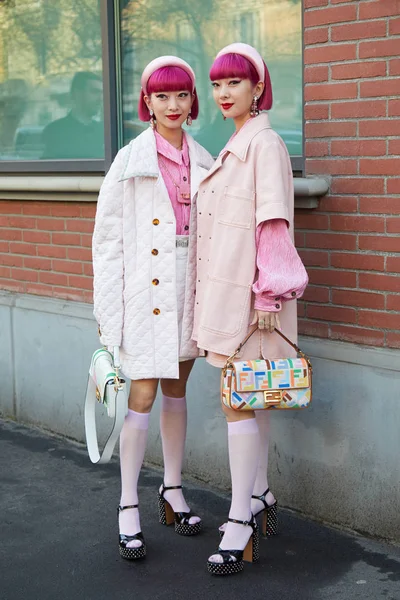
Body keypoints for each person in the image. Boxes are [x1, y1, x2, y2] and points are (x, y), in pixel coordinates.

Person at [192, 43, 308, 576]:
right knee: (251, 399)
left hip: (257, 299)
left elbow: (273, 224)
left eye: (234, 83)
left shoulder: (265, 145)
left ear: (258, 88)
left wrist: (269, 294)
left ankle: (240, 520)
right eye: (217, 84)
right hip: (236, 294)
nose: (222, 94)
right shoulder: (239, 142)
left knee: (238, 401)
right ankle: (259, 495)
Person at [92, 56, 213, 561]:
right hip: (144, 294)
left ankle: (172, 488)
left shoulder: (206, 160)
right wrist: (109, 317)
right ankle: (127, 505)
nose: (172, 105)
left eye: (181, 95)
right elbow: (108, 242)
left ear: (192, 101)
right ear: (147, 102)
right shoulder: (130, 160)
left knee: (178, 390)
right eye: (162, 96)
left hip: (188, 290)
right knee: (140, 394)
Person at [42, 71, 104, 159]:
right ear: (77, 93)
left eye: (102, 93)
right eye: (95, 92)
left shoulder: (103, 131)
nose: (101, 98)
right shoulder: (55, 131)